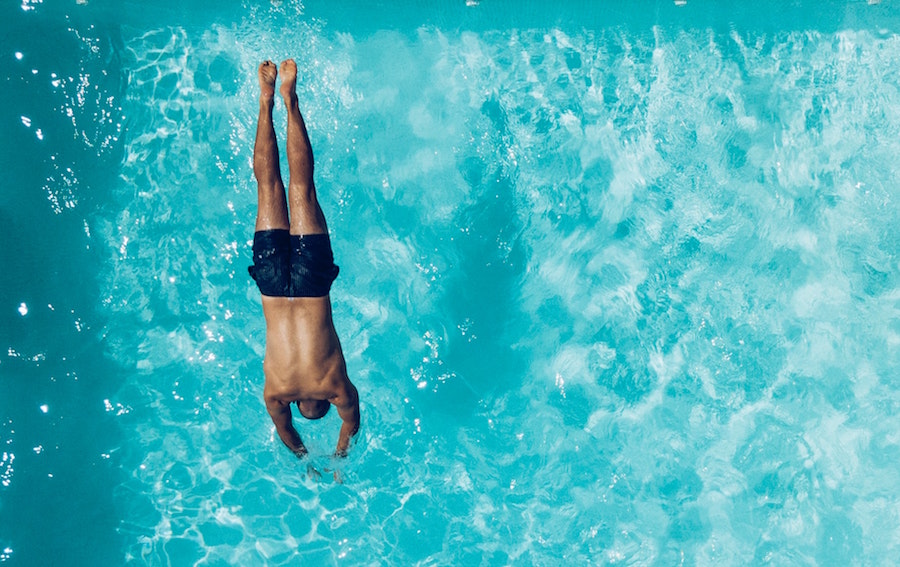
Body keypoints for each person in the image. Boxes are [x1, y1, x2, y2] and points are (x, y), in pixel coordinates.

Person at [249, 59, 359, 459]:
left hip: (312, 284)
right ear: (298, 404)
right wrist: (305, 457)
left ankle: (289, 98)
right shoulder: (277, 393)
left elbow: (352, 421)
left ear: (324, 404)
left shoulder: (335, 387)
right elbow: (285, 431)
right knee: (267, 186)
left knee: (301, 184)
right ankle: (265, 102)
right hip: (272, 285)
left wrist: (339, 456)